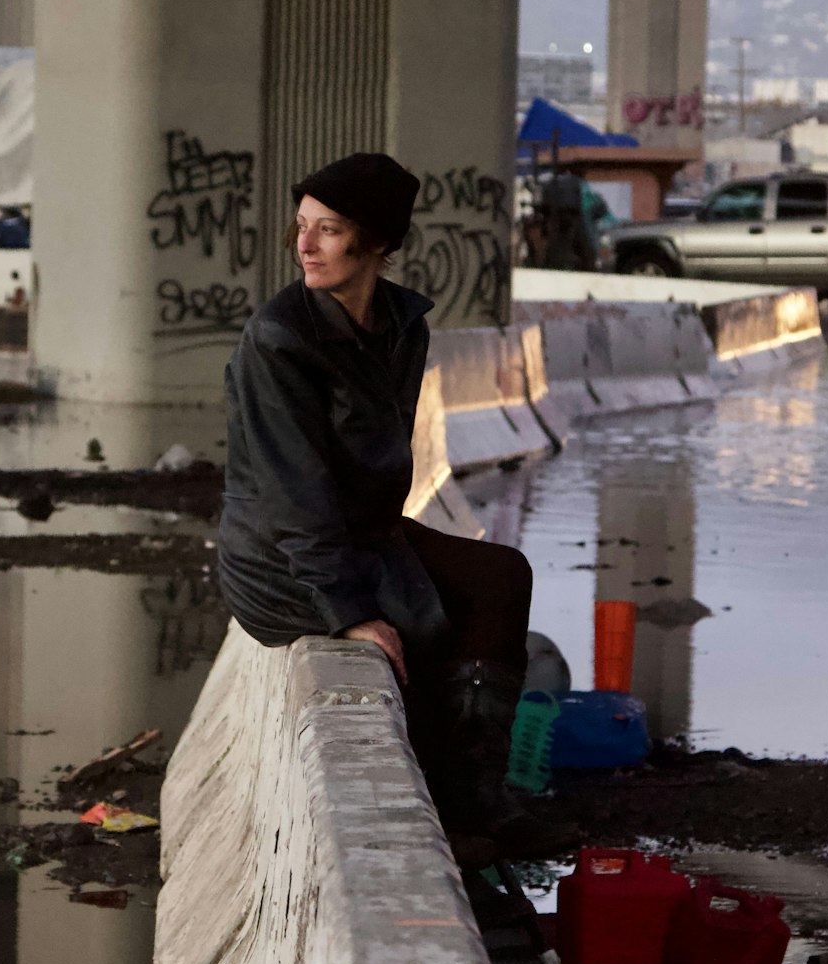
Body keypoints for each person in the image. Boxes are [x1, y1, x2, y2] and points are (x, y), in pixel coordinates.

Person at [218, 151, 576, 865]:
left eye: (328, 229)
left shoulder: (401, 325)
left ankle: (479, 794)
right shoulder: (279, 338)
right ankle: (440, 811)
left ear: (378, 242)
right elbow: (293, 495)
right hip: (280, 560)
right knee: (418, 623)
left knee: (501, 576)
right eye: (302, 226)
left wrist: (383, 554)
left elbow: (376, 465)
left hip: (360, 535)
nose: (305, 245)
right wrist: (349, 610)